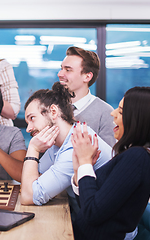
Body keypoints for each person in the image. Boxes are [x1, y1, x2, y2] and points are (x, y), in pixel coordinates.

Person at [71, 87, 150, 240]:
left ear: (138, 120)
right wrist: (79, 168)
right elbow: (86, 205)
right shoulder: (133, 155)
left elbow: (92, 214)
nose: (112, 113)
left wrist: (85, 162)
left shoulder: (137, 158)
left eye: (120, 112)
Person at [20, 82, 112, 215]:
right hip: (84, 217)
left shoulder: (77, 144)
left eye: (32, 118)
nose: (28, 129)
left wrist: (33, 149)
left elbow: (29, 196)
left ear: (53, 112)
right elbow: (30, 183)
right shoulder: (57, 144)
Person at [58, 46, 116, 147]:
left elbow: (108, 158)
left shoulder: (105, 112)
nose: (60, 74)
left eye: (68, 70)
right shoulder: (52, 106)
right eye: (61, 68)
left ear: (87, 76)